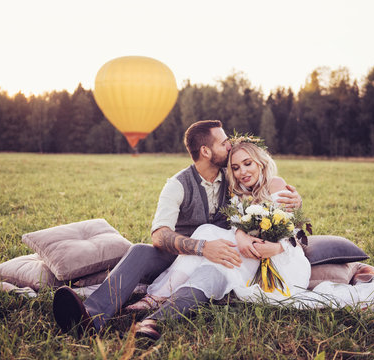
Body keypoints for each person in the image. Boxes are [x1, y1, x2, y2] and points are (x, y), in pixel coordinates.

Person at [52, 120, 302, 338]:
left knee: (213, 273)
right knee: (140, 251)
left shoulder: (234, 175)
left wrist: (295, 201)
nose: (230, 146)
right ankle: (90, 316)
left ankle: (152, 320)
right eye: (224, 142)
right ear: (206, 150)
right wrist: (203, 248)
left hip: (226, 253)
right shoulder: (177, 185)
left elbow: (269, 192)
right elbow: (159, 235)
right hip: (180, 253)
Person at [128, 140, 311, 325]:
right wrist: (240, 235)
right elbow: (236, 223)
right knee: (206, 233)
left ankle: (161, 295)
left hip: (278, 260)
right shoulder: (241, 192)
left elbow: (292, 228)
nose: (243, 172)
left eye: (248, 163)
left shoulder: (275, 184)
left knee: (209, 241)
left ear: (260, 162)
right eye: (236, 168)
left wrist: (277, 248)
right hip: (250, 250)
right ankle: (165, 295)